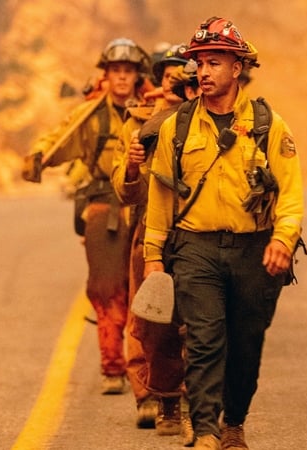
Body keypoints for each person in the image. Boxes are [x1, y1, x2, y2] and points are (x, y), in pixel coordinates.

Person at [142, 16, 304, 450]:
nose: (206, 71)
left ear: (237, 68)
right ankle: (208, 429)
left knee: (246, 343)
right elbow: (161, 196)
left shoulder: (270, 124)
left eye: (215, 62)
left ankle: (234, 422)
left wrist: (283, 239)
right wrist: (153, 256)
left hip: (255, 249)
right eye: (200, 63)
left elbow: (291, 191)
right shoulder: (177, 127)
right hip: (195, 247)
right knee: (204, 338)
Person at [21, 38, 158, 426]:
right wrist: (38, 158)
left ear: (137, 76)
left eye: (128, 71)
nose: (121, 78)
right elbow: (59, 139)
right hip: (102, 207)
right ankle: (112, 366)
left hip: (144, 207)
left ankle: (148, 378)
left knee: (144, 293)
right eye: (115, 71)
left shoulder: (153, 112)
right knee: (105, 289)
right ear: (107, 75)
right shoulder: (89, 116)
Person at [111, 43, 198, 443]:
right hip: (152, 233)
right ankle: (159, 396)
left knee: (204, 322)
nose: (176, 84)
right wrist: (131, 167)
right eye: (169, 76)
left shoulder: (213, 123)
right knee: (152, 322)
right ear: (159, 81)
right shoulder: (140, 127)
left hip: (202, 234)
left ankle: (201, 403)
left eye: (186, 76)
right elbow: (126, 193)